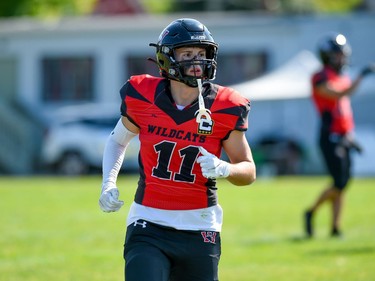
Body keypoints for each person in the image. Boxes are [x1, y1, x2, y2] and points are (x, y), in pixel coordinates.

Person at [99, 18, 256, 281]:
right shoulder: (142, 95)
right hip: (148, 222)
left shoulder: (225, 106)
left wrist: (225, 168)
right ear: (166, 59)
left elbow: (248, 170)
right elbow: (117, 140)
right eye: (187, 54)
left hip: (200, 225)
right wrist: (107, 182)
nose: (197, 61)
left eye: (201, 54)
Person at [304, 33, 374, 238]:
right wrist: (361, 76)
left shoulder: (340, 76)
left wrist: (350, 137)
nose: (342, 59)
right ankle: (311, 211)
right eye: (337, 55)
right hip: (329, 136)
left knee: (343, 184)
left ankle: (335, 227)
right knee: (340, 182)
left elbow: (343, 111)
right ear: (327, 56)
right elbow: (337, 94)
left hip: (343, 136)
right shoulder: (320, 76)